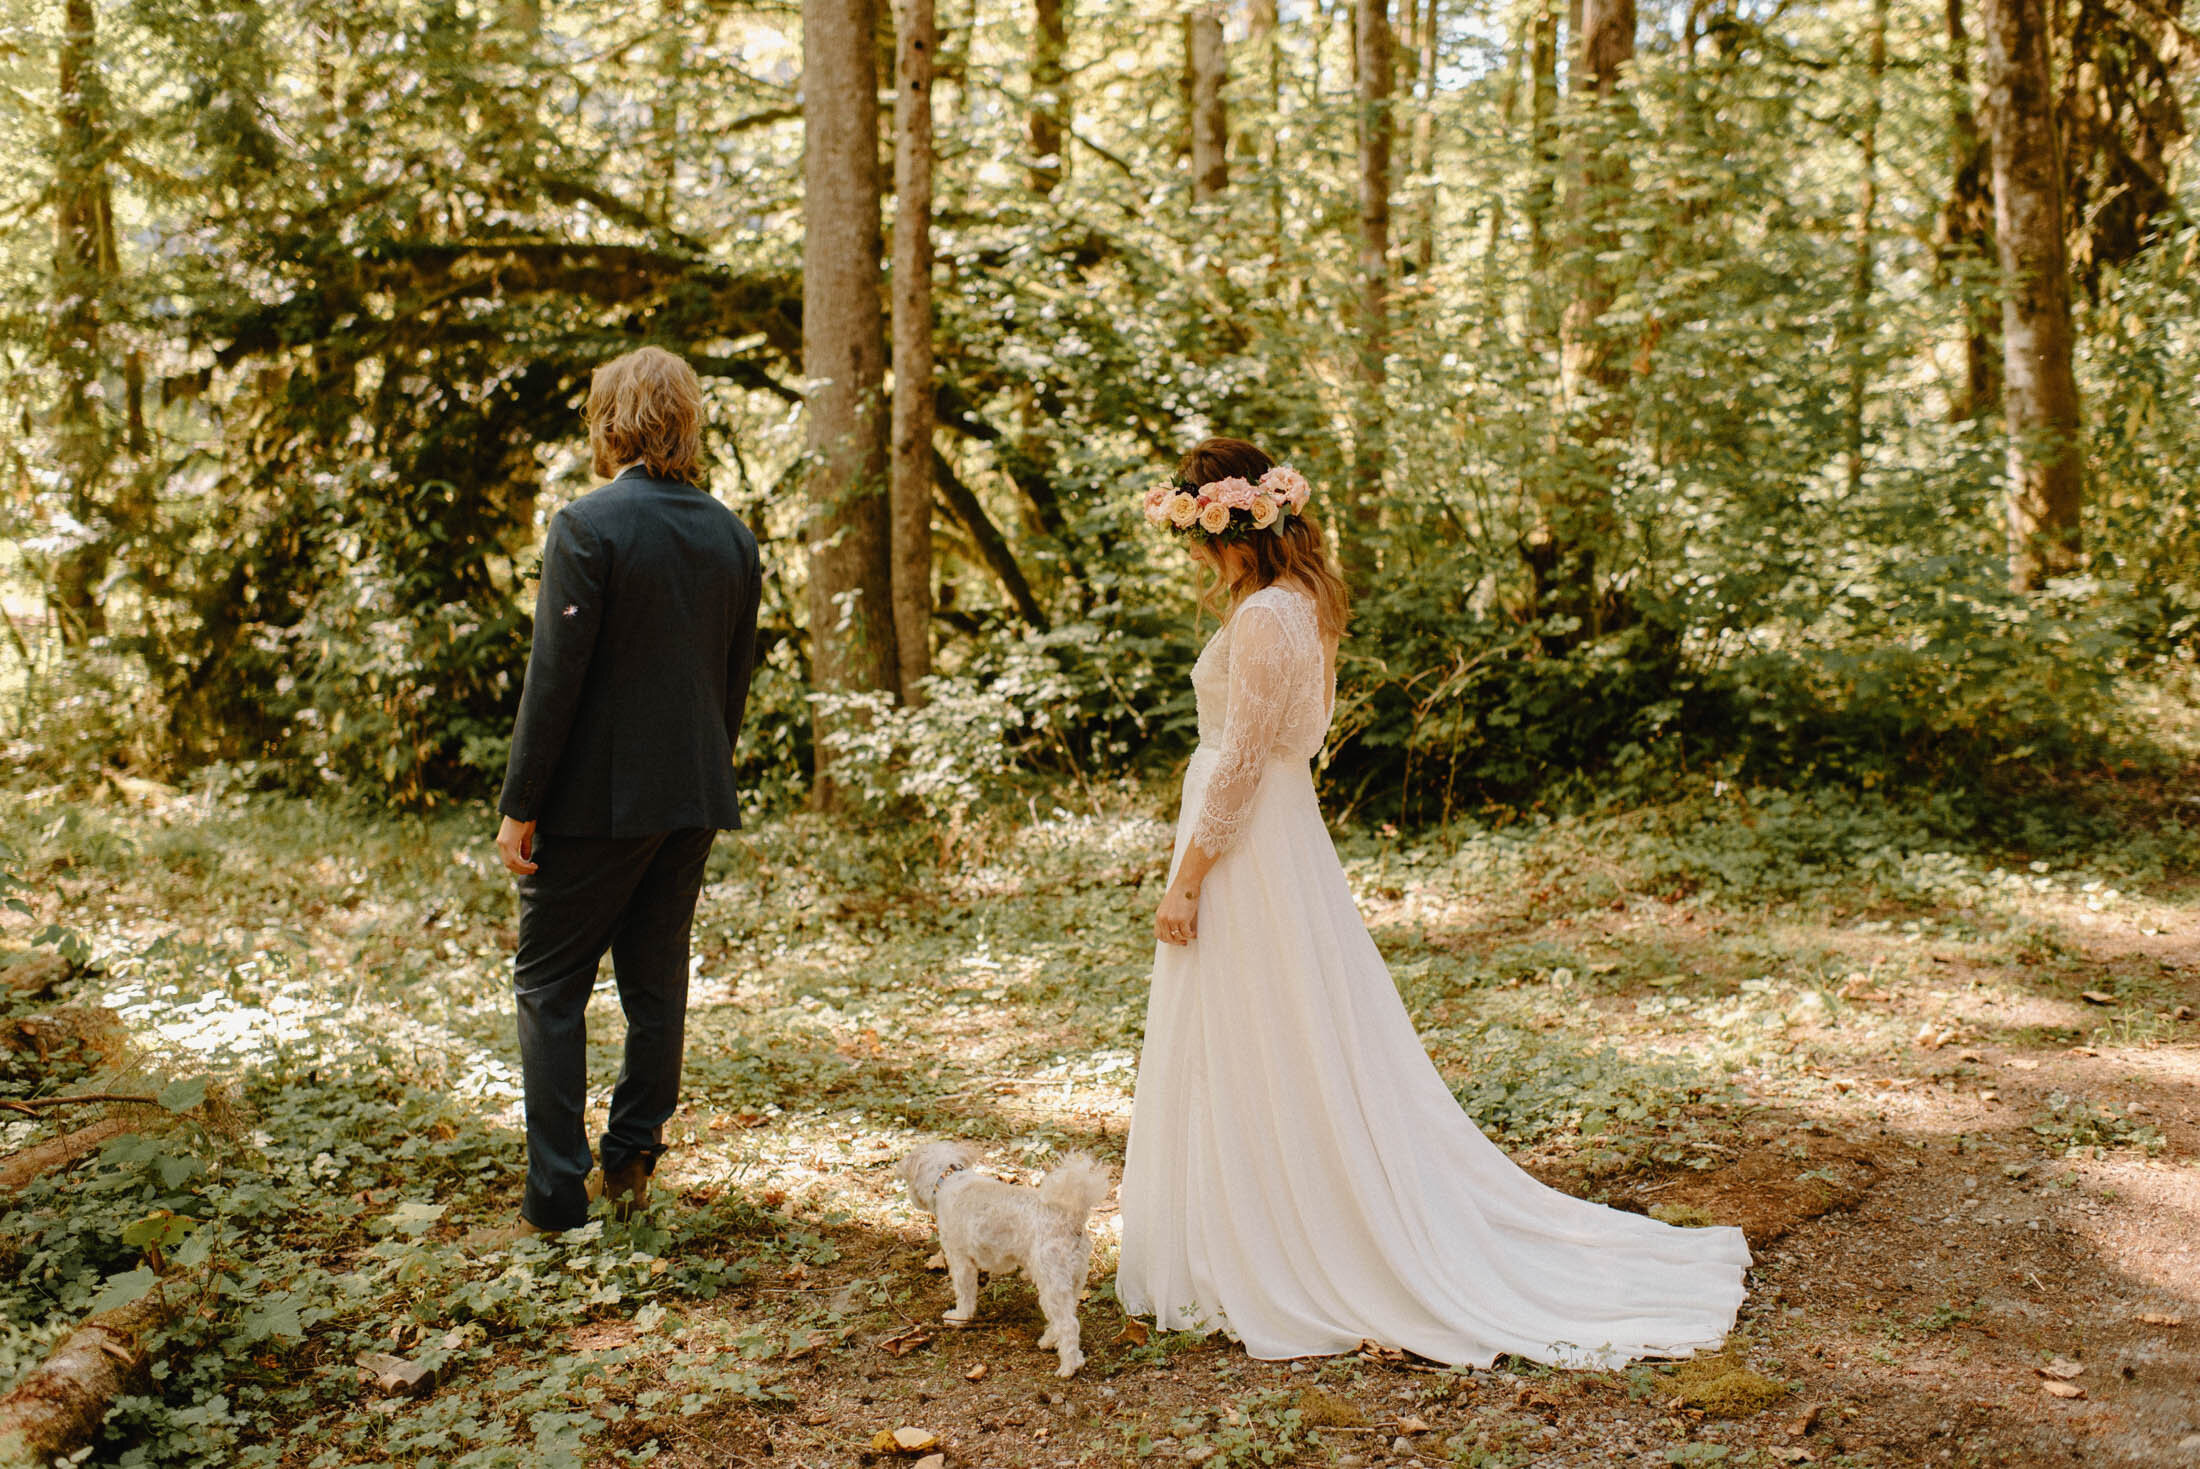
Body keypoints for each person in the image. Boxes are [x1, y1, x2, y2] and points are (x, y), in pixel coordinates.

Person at [1115, 436, 1750, 1366]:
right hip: (1284, 833)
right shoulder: (1305, 605)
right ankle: (1260, 1214)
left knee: (1258, 1026)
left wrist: (1187, 880)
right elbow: (1295, 745)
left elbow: (1245, 762)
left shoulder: (1261, 620)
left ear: (1235, 529)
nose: (1199, 556)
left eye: (1201, 534)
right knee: (1288, 1029)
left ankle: (1281, 1236)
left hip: (1247, 843)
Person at [489, 346, 762, 1238]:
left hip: (596, 805)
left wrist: (520, 801)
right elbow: (732, 685)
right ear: (686, 419)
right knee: (656, 979)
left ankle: (558, 1198)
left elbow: (554, 678)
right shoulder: (731, 534)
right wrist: (705, 772)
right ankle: (634, 1155)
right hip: (692, 794)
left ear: (612, 421)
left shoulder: (587, 526)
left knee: (549, 983)